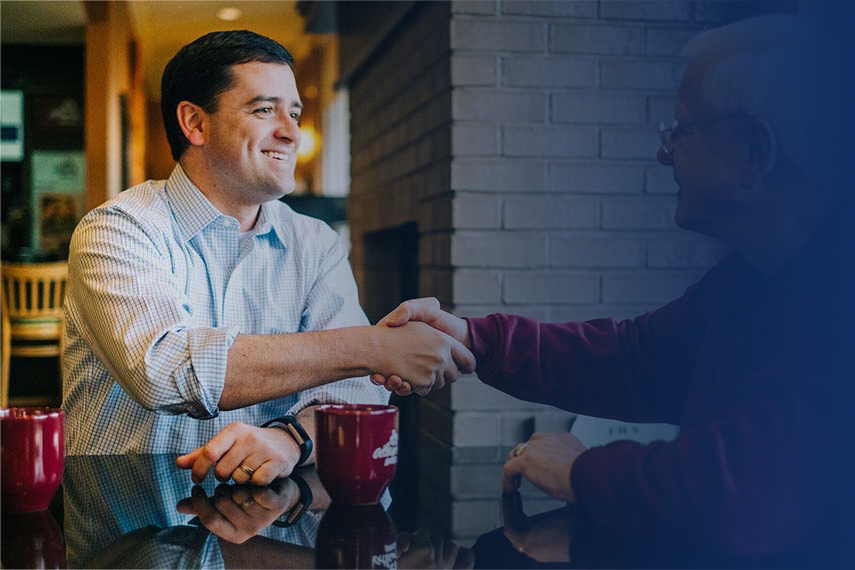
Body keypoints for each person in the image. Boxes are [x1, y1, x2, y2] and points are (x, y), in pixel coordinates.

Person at [373, 15, 854, 557]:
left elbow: (745, 493)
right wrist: (473, 337)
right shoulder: (749, 277)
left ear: (752, 152)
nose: (663, 153)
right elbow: (629, 357)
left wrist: (580, 471)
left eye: (682, 131)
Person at [63, 31, 474, 485]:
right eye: (264, 110)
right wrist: (372, 345)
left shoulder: (314, 241)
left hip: (270, 526)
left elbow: (355, 392)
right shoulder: (119, 228)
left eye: (294, 112)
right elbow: (163, 371)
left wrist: (292, 438)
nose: (292, 132)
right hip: (129, 528)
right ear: (195, 124)